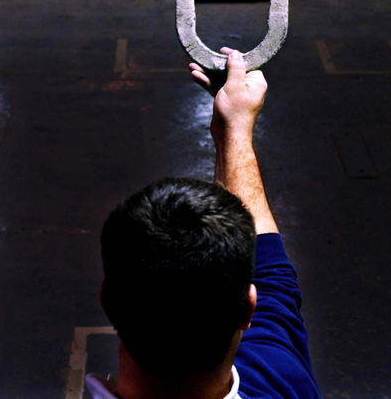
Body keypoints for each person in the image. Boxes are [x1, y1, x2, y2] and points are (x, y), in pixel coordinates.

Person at [85, 48, 321, 399]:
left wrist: (232, 130)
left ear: (107, 301)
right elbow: (272, 277)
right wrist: (234, 130)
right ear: (248, 309)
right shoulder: (281, 381)